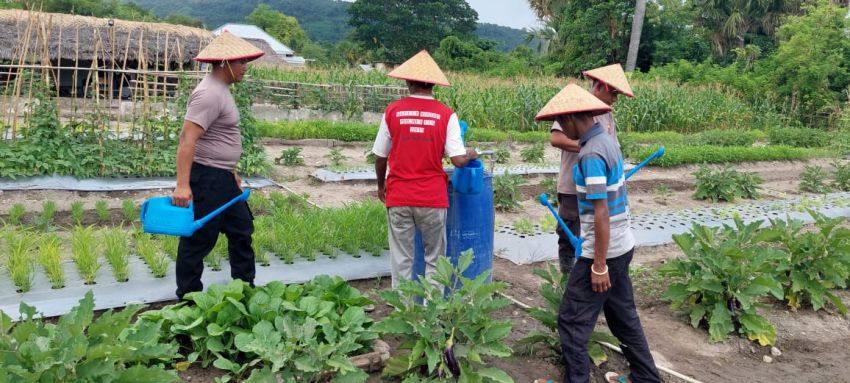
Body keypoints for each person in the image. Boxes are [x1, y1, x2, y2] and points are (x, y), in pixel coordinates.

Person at [535, 84, 661, 383]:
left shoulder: (590, 154)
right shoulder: (606, 141)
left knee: (572, 321)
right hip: (622, 243)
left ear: (572, 118)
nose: (562, 128)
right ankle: (646, 378)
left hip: (603, 251)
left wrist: (598, 264)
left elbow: (600, 212)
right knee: (623, 317)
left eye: (563, 122)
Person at [371, 50, 478, 288]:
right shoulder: (446, 114)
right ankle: (433, 311)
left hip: (398, 195)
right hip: (432, 197)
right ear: (432, 84)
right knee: (435, 258)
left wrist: (381, 186)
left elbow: (380, 156)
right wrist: (472, 152)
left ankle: (403, 310)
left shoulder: (393, 111)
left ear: (408, 81)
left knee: (402, 258)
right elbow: (459, 160)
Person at [171, 32, 264, 299]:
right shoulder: (208, 94)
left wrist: (231, 171)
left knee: (242, 229)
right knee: (199, 239)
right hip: (207, 178)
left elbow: (219, 137)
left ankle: (244, 290)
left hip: (222, 178)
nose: (245, 66)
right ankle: (188, 300)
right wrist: (182, 185)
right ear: (224, 62)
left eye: (246, 61)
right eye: (241, 61)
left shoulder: (221, 90)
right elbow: (187, 139)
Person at [549, 64, 635, 276]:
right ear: (601, 86)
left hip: (599, 184)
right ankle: (568, 276)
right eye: (613, 92)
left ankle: (595, 270)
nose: (615, 98)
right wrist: (590, 148)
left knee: (597, 228)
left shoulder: (606, 114)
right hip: (573, 184)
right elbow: (556, 138)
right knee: (570, 231)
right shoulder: (575, 107)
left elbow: (610, 146)